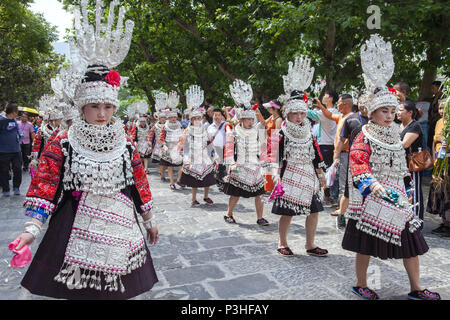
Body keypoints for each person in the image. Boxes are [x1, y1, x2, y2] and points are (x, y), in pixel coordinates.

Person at [11, 0, 158, 300]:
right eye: (94, 106)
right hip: (74, 222)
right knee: (80, 292)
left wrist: (150, 220)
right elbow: (45, 186)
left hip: (121, 226)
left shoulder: (124, 140)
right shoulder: (64, 140)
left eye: (107, 106)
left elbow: (139, 183)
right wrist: (32, 228)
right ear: (82, 107)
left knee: (116, 292)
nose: (101, 113)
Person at [342, 34, 440, 300]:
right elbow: (358, 165)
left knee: (412, 243)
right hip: (372, 198)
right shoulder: (363, 135)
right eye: (383, 111)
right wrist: (373, 187)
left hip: (396, 197)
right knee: (366, 243)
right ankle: (362, 283)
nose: (389, 115)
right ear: (372, 113)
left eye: (391, 110)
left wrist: (407, 192)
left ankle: (416, 288)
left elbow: (402, 168)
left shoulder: (395, 136)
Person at [270, 87, 328, 257]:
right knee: (287, 212)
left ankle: (310, 244)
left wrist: (321, 174)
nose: (299, 117)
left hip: (309, 175)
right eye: (295, 114)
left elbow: (316, 155)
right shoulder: (281, 133)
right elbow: (274, 156)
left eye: (302, 114)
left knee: (314, 210)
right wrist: (275, 174)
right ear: (287, 113)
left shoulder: (309, 133)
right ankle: (282, 242)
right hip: (289, 176)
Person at [223, 79, 269, 226]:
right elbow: (229, 150)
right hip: (239, 165)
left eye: (251, 119)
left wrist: (266, 162)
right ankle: (229, 213)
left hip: (255, 166)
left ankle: (260, 217)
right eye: (247, 119)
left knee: (260, 193)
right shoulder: (234, 132)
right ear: (241, 119)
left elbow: (264, 136)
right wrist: (231, 164)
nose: (250, 121)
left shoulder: (257, 130)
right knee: (236, 193)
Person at [339, 92, 369, 229]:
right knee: (348, 191)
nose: (363, 104)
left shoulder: (377, 119)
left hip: (371, 162)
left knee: (368, 191)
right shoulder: (351, 120)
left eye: (366, 101)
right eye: (361, 101)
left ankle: (366, 217)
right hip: (354, 162)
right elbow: (342, 139)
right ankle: (341, 214)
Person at [179, 102, 218, 205]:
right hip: (192, 157)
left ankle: (206, 196)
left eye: (198, 118)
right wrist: (186, 160)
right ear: (191, 120)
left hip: (204, 157)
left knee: (208, 178)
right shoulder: (187, 131)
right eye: (194, 118)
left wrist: (214, 155)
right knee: (194, 180)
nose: (197, 120)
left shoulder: (204, 130)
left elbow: (210, 143)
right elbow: (184, 147)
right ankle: (194, 198)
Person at [307, 89, 340, 207]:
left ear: (330, 98)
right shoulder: (335, 111)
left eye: (325, 95)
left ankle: (326, 196)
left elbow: (310, 114)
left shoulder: (328, 112)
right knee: (329, 171)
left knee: (324, 171)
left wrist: (302, 105)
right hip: (331, 145)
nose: (323, 97)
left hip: (325, 145)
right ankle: (328, 195)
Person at [397, 100, 425, 222]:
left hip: (412, 165)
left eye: (400, 110)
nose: (397, 112)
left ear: (410, 112)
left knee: (414, 191)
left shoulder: (415, 126)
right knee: (403, 191)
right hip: (400, 165)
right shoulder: (398, 125)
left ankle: (416, 219)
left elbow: (405, 144)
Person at [330, 94, 354, 228]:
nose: (337, 105)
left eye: (338, 103)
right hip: (343, 154)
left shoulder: (349, 118)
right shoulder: (342, 117)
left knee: (344, 183)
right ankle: (342, 208)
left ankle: (343, 210)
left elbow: (342, 139)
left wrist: (336, 154)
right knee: (342, 182)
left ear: (345, 104)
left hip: (345, 153)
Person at [427, 99, 450, 238]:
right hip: (440, 159)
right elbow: (435, 140)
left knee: (448, 192)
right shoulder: (439, 122)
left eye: (445, 108)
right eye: (440, 108)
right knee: (439, 190)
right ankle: (444, 221)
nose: (442, 111)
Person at [257, 99, 283, 193]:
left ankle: (271, 188)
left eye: (269, 107)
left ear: (275, 109)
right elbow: (264, 123)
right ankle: (267, 187)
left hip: (273, 145)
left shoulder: (279, 119)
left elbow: (277, 134)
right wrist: (258, 112)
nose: (268, 109)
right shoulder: (272, 117)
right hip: (267, 143)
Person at [30, 96, 63, 170]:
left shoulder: (62, 131)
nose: (61, 120)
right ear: (54, 119)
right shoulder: (42, 131)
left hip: (59, 160)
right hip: (45, 159)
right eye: (60, 118)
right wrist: (34, 159)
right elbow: (36, 146)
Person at [158, 98, 184, 190]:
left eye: (174, 117)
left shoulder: (180, 124)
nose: (173, 119)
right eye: (172, 117)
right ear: (168, 118)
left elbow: (183, 135)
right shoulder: (165, 126)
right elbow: (161, 137)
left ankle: (179, 180)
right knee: (170, 166)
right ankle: (172, 183)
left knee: (181, 165)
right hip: (168, 147)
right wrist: (164, 145)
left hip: (178, 148)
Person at [0, 103, 22, 196]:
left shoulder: (14, 120)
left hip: (16, 149)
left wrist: (18, 137)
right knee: (4, 170)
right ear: (13, 112)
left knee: (17, 168)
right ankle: (6, 189)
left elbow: (16, 131)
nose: (18, 113)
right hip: (3, 150)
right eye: (17, 111)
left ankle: (16, 187)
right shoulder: (1, 120)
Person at [207, 108, 229, 192]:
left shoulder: (226, 125)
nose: (217, 117)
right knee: (216, 167)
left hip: (224, 149)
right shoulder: (210, 127)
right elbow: (208, 140)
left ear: (221, 116)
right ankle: (219, 182)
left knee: (221, 167)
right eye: (215, 115)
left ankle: (221, 183)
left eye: (219, 115)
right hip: (213, 149)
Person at [146, 108, 168, 181]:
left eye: (164, 117)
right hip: (158, 145)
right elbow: (150, 135)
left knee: (167, 162)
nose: (163, 119)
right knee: (161, 161)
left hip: (167, 145)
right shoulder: (155, 126)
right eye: (161, 117)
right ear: (159, 118)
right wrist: (149, 145)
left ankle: (162, 171)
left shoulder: (168, 125)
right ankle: (162, 175)